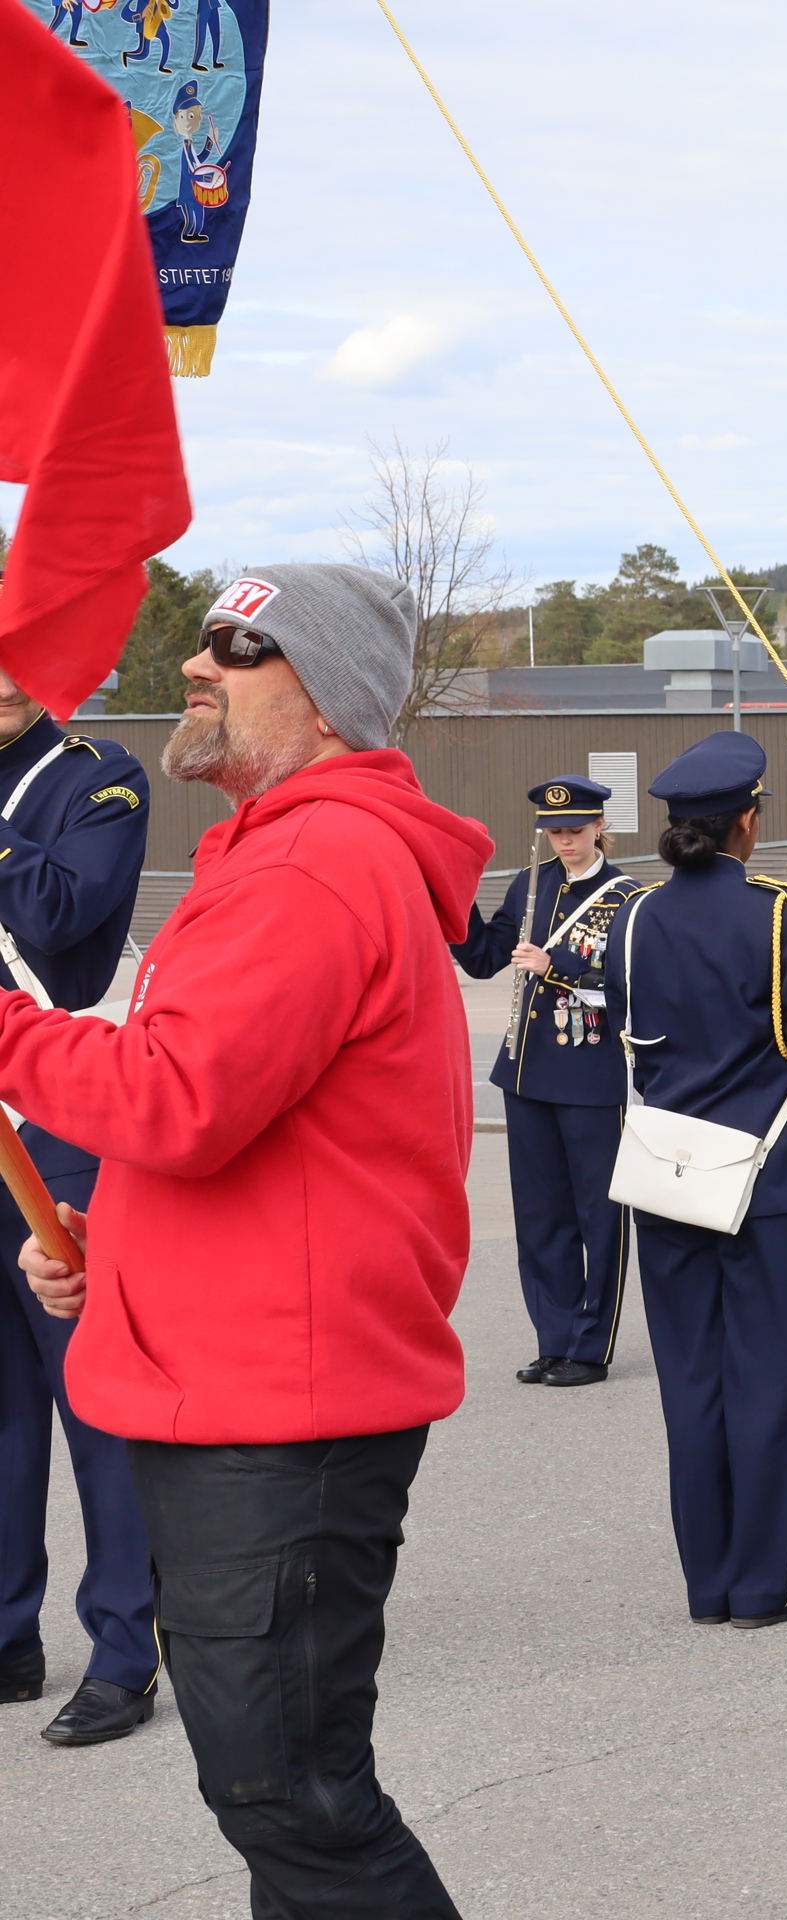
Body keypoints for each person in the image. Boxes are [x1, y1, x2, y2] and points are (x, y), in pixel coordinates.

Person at [7, 563, 485, 1909]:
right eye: (206, 638)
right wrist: (109, 1245)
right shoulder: (280, 853)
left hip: (279, 1417)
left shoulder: (313, 861)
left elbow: (174, 1098)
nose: (195, 662)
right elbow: (262, 1128)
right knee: (286, 1800)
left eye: (240, 645)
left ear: (325, 696)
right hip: (249, 1391)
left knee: (294, 1800)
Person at [603, 732, 787, 1627]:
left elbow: (633, 1042)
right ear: (748, 824)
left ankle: (709, 1584)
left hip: (670, 1174)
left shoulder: (635, 918)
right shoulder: (779, 914)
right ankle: (764, 1583)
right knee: (772, 1382)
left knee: (692, 1383)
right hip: (774, 1181)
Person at [0, 669, 156, 1748]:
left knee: (96, 1398)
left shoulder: (99, 776)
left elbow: (57, 910)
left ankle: (126, 1647)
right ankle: (8, 1634)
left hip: (58, 1120)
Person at [451, 776, 637, 1388]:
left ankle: (590, 1345)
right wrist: (454, 892)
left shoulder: (628, 897)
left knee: (598, 1217)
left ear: (600, 827)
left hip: (589, 1074)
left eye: (576, 831)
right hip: (526, 1072)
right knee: (540, 1216)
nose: (565, 842)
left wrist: (559, 966)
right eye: (555, 833)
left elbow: (633, 985)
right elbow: (484, 958)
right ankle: (553, 1339)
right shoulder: (530, 884)